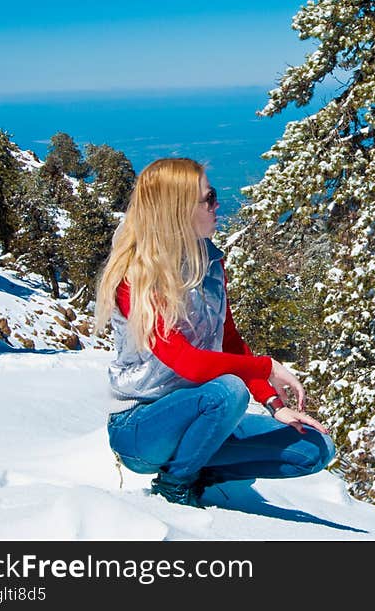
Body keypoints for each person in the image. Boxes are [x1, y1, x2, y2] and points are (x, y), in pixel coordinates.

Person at [94, 157, 335, 507]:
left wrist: (272, 401)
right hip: (141, 428)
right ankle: (175, 487)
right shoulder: (136, 276)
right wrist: (267, 367)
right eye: (209, 199)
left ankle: (194, 466)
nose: (217, 204)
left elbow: (231, 341)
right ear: (176, 210)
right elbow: (187, 363)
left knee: (314, 448)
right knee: (228, 392)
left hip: (204, 414)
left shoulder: (209, 261)